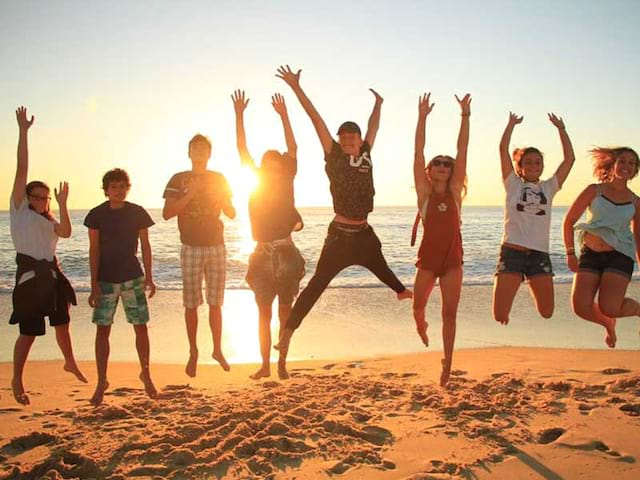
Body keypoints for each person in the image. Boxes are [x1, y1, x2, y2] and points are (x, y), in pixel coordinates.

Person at [273, 65, 412, 366]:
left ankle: (401, 292)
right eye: (344, 136)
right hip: (339, 236)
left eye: (353, 136)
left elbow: (374, 127)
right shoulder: (334, 155)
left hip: (363, 233)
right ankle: (287, 333)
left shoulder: (366, 153)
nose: (348, 139)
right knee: (315, 286)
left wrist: (378, 105)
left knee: (381, 266)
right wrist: (297, 88)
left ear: (360, 141)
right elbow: (315, 119)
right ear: (338, 140)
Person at [9, 106, 86, 405]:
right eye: (37, 196)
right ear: (27, 197)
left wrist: (64, 204)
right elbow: (21, 168)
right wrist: (23, 132)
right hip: (30, 279)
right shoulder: (19, 213)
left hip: (51, 276)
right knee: (29, 334)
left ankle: (69, 361)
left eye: (46, 197)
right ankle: (17, 378)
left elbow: (66, 232)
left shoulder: (49, 221)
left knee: (62, 323)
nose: (42, 200)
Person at [231, 90, 305, 380]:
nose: (273, 166)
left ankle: (282, 362)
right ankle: (264, 364)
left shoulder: (287, 180)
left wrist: (284, 115)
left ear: (282, 167)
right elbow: (241, 148)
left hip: (285, 253)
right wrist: (239, 115)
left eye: (277, 162)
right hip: (261, 254)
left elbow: (294, 147)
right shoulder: (256, 182)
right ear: (263, 167)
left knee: (285, 310)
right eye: (268, 162)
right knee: (263, 313)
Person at [162, 134, 236, 377]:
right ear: (189, 152)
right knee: (191, 303)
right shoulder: (178, 179)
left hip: (216, 245)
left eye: (203, 148)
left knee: (216, 302)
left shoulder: (219, 178)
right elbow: (167, 213)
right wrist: (190, 194)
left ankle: (216, 349)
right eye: (194, 147)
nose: (199, 151)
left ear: (209, 153)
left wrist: (224, 200)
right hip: (191, 246)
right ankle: (193, 351)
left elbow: (231, 213)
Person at [492, 112, 575, 325]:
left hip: (539, 256)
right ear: (519, 167)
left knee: (547, 312)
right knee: (500, 316)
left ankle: (527, 279)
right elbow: (502, 150)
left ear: (542, 166)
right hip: (512, 253)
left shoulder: (549, 187)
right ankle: (516, 277)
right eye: (528, 162)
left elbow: (570, 159)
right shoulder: (513, 184)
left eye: (537, 162)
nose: (533, 165)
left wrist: (561, 129)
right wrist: (510, 124)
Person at [411, 92, 471, 387]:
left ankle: (448, 362)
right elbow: (417, 152)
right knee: (417, 306)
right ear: (430, 171)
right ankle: (422, 327)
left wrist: (465, 115)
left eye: (448, 164)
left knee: (450, 313)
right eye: (438, 163)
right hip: (428, 261)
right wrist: (422, 117)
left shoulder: (455, 192)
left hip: (452, 262)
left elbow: (463, 148)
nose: (444, 166)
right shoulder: (424, 194)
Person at [84, 168, 158, 405]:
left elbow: (146, 246)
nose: (119, 190)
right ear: (106, 190)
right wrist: (93, 283)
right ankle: (101, 381)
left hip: (132, 277)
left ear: (128, 188)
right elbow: (93, 250)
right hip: (105, 280)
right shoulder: (96, 215)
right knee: (102, 330)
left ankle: (146, 374)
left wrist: (149, 276)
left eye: (123, 186)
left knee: (140, 327)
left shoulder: (137, 212)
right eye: (114, 187)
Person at [563, 147, 640, 348]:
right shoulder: (593, 190)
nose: (626, 166)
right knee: (580, 307)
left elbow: (638, 237)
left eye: (631, 163)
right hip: (591, 254)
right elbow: (569, 221)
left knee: (610, 307)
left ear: (635, 170)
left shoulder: (635, 202)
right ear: (613, 164)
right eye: (622, 161)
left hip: (620, 255)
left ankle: (638, 310)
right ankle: (608, 324)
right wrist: (570, 253)